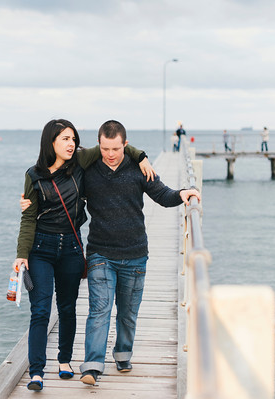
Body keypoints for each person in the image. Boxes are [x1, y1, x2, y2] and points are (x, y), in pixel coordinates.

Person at [13, 119, 155, 391]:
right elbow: (28, 218)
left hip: (71, 246)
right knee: (41, 309)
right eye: (65, 139)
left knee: (67, 308)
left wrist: (142, 156)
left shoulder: (79, 163)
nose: (71, 144)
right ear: (50, 142)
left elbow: (114, 146)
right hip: (41, 248)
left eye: (73, 139)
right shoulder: (33, 175)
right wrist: (22, 254)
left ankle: (64, 361)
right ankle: (37, 372)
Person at [78, 120, 200, 385]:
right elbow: (63, 170)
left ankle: (122, 354)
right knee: (100, 309)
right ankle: (92, 366)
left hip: (135, 254)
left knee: (127, 312)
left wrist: (183, 194)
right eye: (105, 148)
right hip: (100, 253)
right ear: (98, 145)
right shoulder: (87, 169)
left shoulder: (138, 168)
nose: (110, 154)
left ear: (126, 145)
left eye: (116, 148)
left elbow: (162, 195)